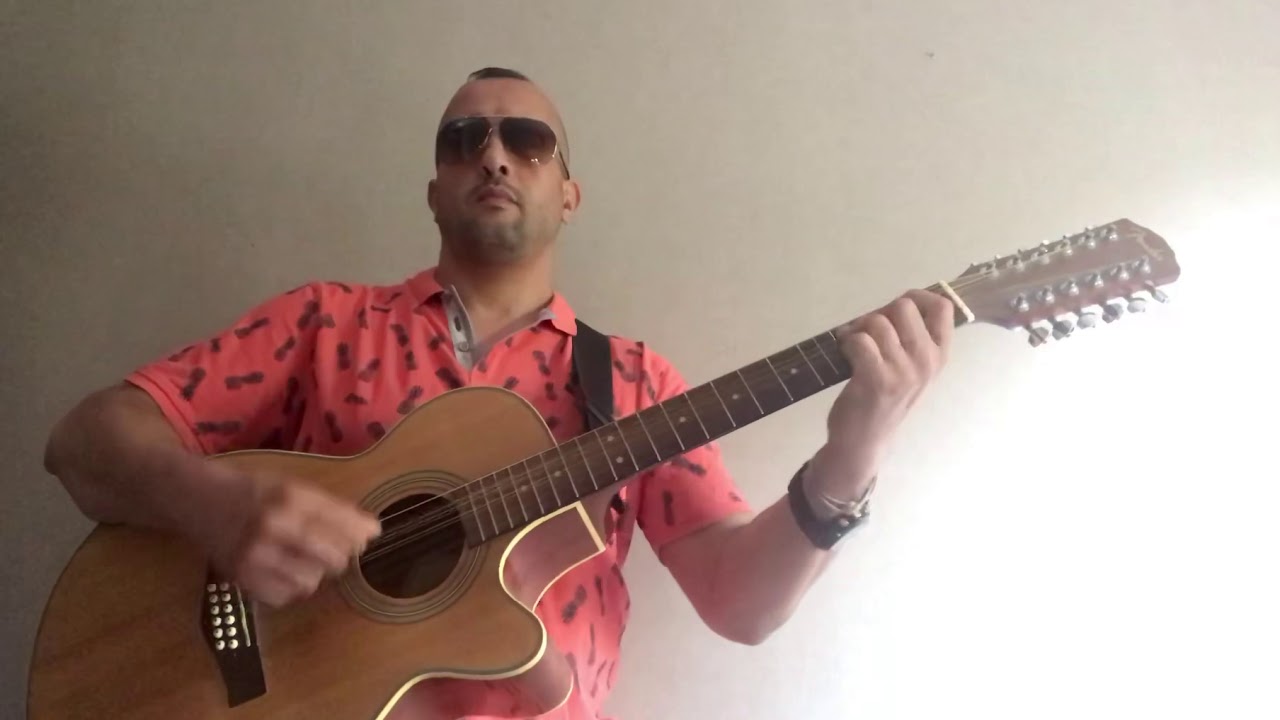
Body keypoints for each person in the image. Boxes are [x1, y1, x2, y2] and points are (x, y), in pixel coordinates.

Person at [42, 67, 955, 719]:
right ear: (434, 191)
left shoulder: (635, 384)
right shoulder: (324, 323)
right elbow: (85, 443)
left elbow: (741, 605)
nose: (492, 154)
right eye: (462, 139)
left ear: (569, 194)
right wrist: (218, 506)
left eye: (527, 139)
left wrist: (852, 457)